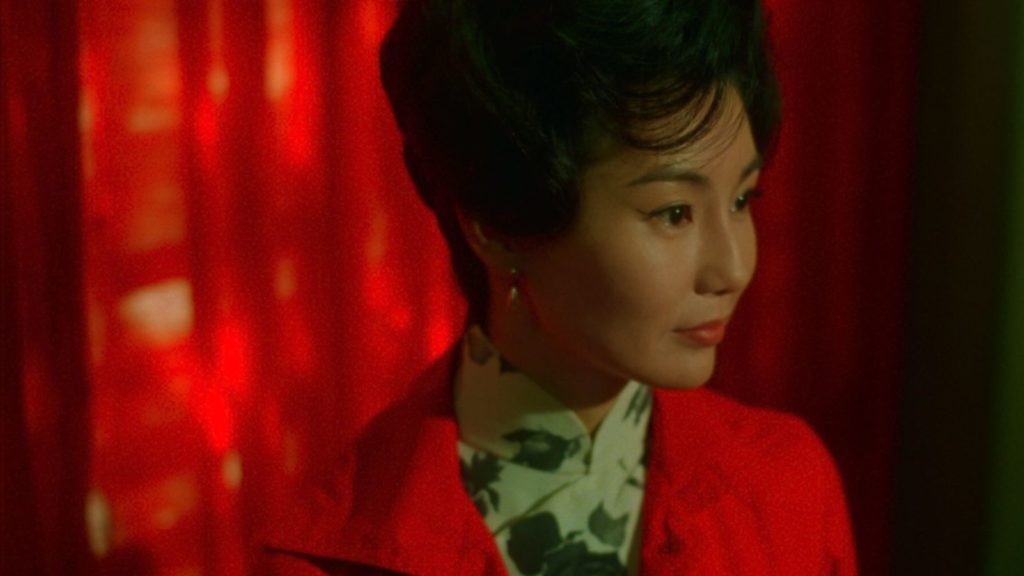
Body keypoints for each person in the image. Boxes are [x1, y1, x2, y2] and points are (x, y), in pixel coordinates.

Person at [263, 0, 857, 574]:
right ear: (498, 226)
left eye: (741, 199)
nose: (733, 268)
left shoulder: (786, 487)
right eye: (674, 213)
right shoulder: (331, 556)